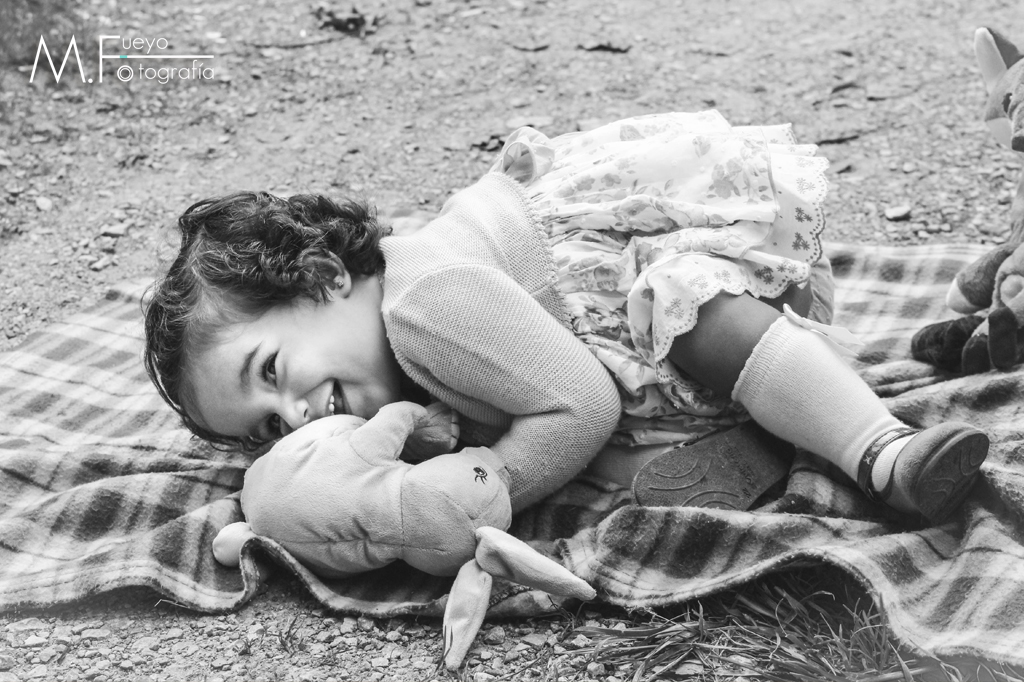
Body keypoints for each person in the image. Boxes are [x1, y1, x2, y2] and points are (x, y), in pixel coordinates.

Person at [144, 110, 989, 523]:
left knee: (689, 313)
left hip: (707, 271)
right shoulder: (390, 374)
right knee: (609, 452)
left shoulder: (420, 302)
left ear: (325, 277)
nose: (295, 419)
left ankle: (882, 452)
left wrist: (475, 497)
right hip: (626, 339)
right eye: (266, 430)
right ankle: (941, 335)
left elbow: (581, 403)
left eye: (270, 373)